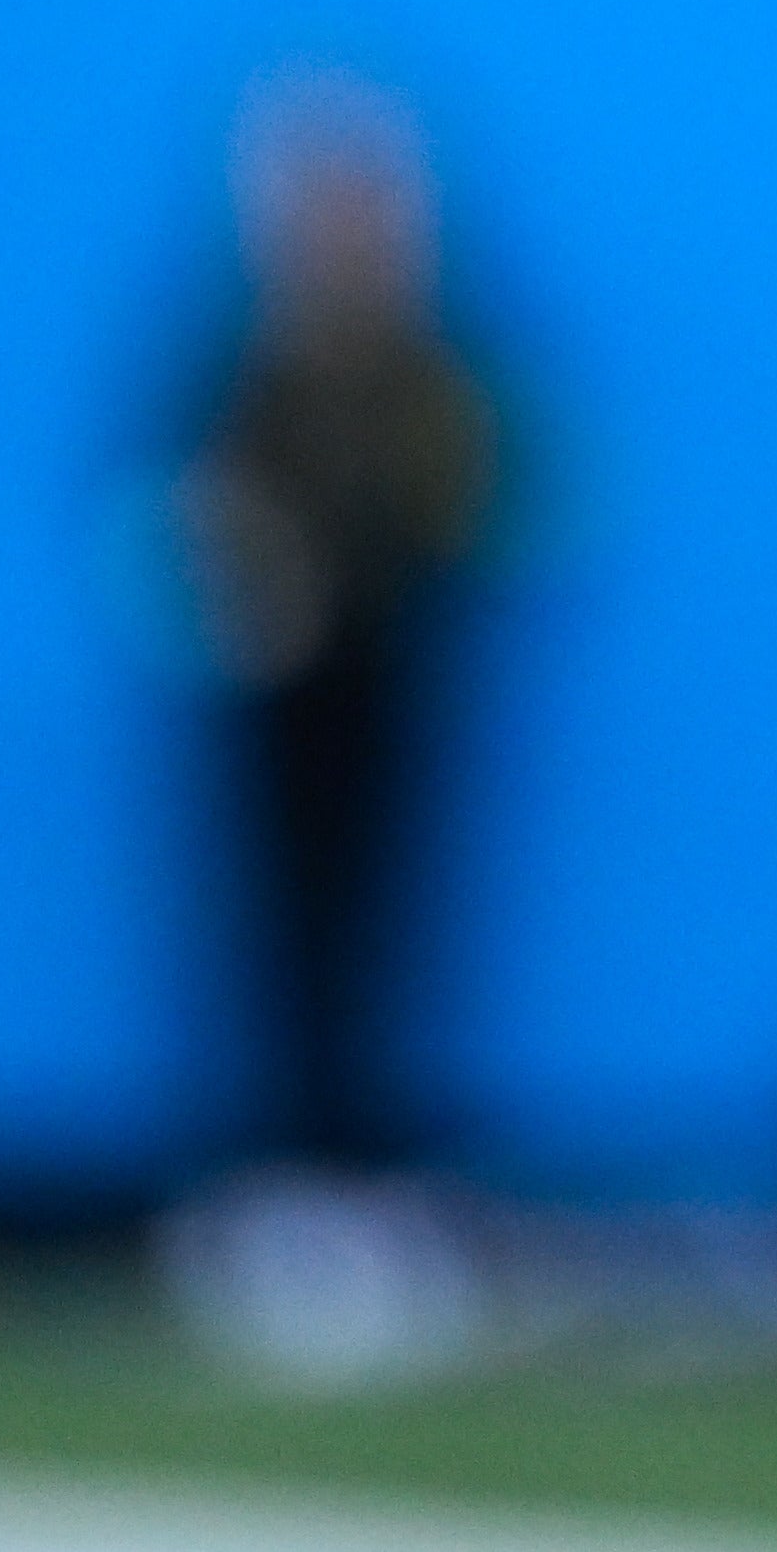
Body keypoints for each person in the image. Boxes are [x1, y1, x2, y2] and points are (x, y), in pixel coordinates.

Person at [177, 69, 497, 1172]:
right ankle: (285, 1139)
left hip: (394, 679)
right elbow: (196, 496)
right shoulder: (247, 357)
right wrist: (254, 577)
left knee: (391, 919)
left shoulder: (430, 360)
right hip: (270, 688)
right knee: (270, 920)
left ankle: (369, 1142)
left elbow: (463, 497)